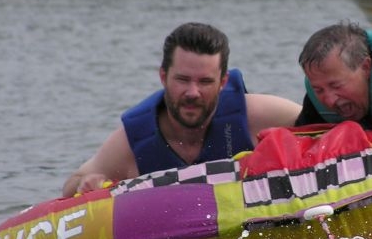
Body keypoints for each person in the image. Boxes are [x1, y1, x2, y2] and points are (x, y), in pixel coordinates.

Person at [62, 22, 301, 197]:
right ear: (163, 76)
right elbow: (73, 183)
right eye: (183, 80)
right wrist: (88, 183)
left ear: (223, 82)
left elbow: (317, 122)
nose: (192, 92)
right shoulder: (133, 141)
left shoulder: (255, 115)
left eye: (205, 82)